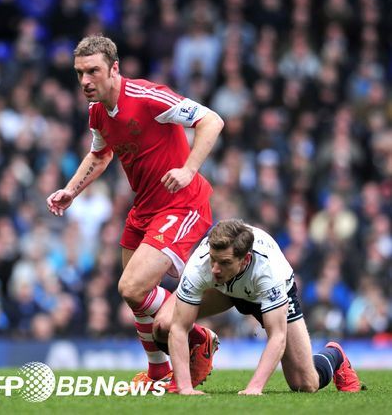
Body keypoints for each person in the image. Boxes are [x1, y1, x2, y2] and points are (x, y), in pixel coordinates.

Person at [46, 35, 225, 386]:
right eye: (79, 73)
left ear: (114, 68)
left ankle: (198, 337)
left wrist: (188, 169)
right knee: (135, 295)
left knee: (130, 287)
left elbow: (212, 120)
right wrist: (71, 190)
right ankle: (158, 371)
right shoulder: (97, 111)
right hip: (144, 207)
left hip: (181, 203)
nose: (85, 81)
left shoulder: (147, 97)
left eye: (93, 71)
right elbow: (101, 154)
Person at [168, 219, 364, 395]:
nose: (215, 269)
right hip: (224, 289)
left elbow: (277, 336)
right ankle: (201, 343)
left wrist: (255, 387)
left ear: (245, 259)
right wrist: (184, 388)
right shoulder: (201, 262)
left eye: (225, 262)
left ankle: (335, 355)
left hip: (266, 296)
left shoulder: (268, 270)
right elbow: (178, 327)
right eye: (213, 259)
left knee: (305, 383)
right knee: (164, 323)